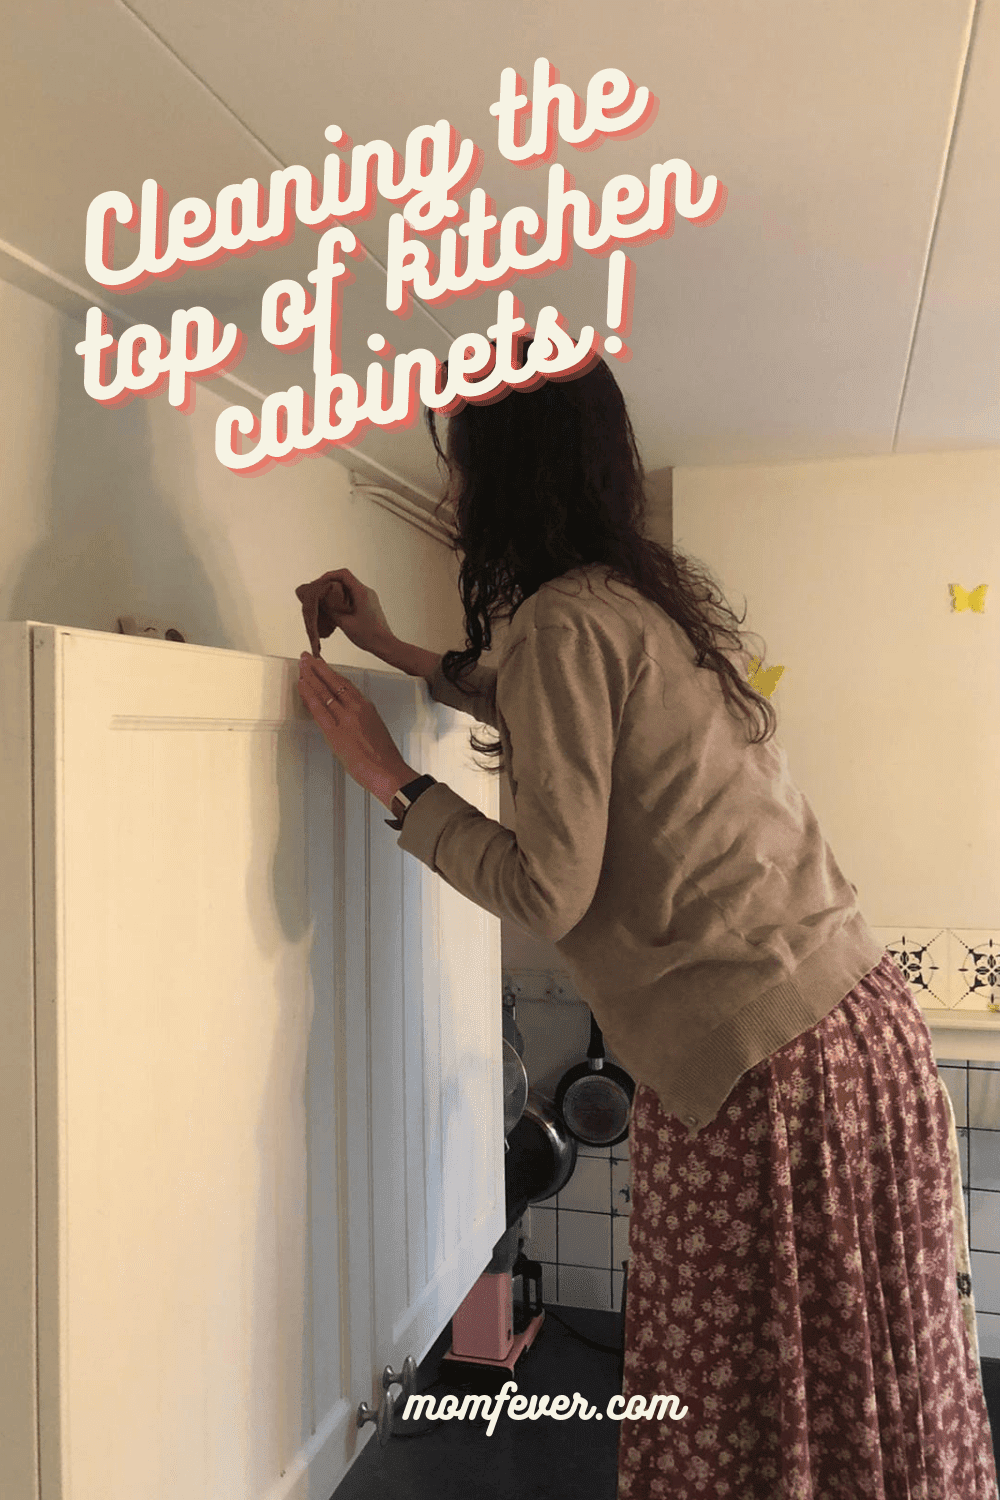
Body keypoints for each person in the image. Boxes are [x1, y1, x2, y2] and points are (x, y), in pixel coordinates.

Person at [296, 353, 998, 1499]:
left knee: (747, 1396)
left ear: (511, 478)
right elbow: (544, 698)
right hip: (851, 1024)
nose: (453, 499)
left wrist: (395, 786)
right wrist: (399, 652)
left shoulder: (567, 623)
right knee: (852, 1371)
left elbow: (545, 892)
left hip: (768, 1071)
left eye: (464, 471)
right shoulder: (624, 602)